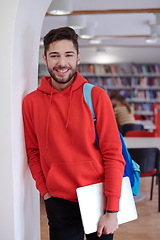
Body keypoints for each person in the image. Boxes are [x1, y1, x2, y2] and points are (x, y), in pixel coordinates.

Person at [22, 27, 125, 240]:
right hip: (58, 200)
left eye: (68, 55)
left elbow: (113, 154)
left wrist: (112, 210)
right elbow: (33, 152)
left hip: (98, 196)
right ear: (45, 58)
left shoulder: (96, 96)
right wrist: (46, 192)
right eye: (54, 55)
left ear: (78, 57)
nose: (62, 63)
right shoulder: (31, 102)